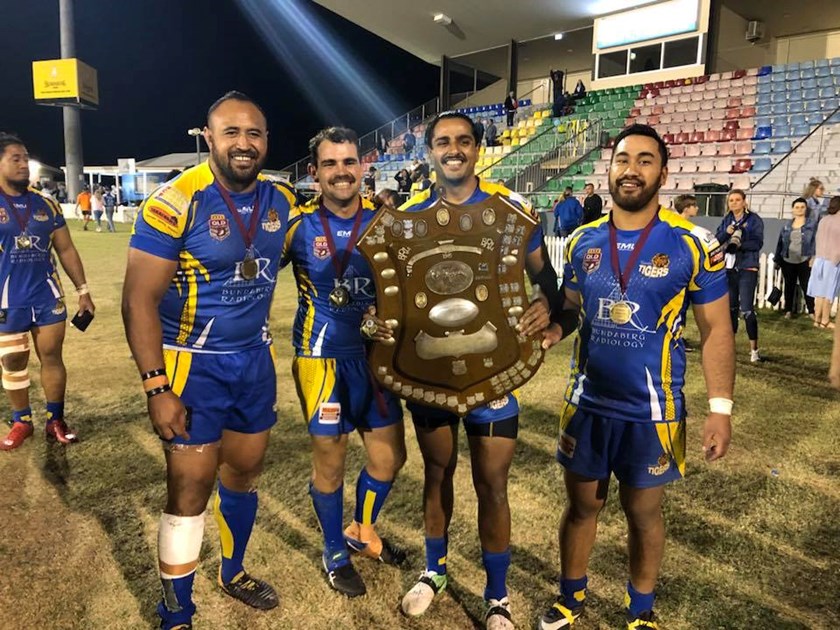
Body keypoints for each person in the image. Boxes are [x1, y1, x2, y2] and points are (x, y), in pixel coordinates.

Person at [537, 123, 734, 630]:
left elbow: (716, 330)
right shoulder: (584, 240)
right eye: (623, 158)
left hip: (653, 410)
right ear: (610, 169)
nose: (632, 169)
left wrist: (720, 409)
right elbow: (572, 307)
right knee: (582, 507)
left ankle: (641, 611)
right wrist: (549, 329)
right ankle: (570, 598)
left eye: (645, 160)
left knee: (643, 513)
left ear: (663, 174)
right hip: (587, 403)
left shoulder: (693, 243)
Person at [121, 91, 296, 629]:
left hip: (254, 362)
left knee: (244, 474)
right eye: (231, 133)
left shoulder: (281, 201)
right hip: (192, 365)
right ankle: (176, 609)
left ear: (265, 141)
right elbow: (137, 301)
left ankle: (233, 570)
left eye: (254, 134)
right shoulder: (178, 200)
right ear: (209, 137)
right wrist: (156, 387)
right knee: (190, 489)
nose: (244, 144)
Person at [391, 111, 556, 629]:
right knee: (437, 472)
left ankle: (498, 595)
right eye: (443, 142)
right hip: (430, 373)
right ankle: (434, 569)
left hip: (496, 373)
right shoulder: (411, 215)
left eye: (464, 140)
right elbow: (395, 295)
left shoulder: (512, 211)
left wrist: (549, 309)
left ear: (478, 149)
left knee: (492, 483)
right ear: (430, 153)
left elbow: (547, 279)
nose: (454, 149)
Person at [281, 127, 407, 598]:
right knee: (330, 461)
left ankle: (362, 528)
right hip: (322, 360)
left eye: (349, 162)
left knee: (389, 458)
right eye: (330, 164)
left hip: (376, 359)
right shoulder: (297, 227)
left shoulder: (385, 222)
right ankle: (334, 551)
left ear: (363, 166)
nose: (341, 172)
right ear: (315, 172)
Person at [0, 132, 94, 451]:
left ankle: (55, 419)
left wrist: (83, 290)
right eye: (16, 158)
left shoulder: (46, 203)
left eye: (26, 158)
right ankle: (21, 420)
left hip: (46, 294)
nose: (24, 164)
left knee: (52, 356)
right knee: (13, 360)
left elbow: (66, 249)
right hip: (7, 297)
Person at [715, 189, 764, 362]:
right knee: (731, 309)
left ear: (744, 202)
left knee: (747, 310)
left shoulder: (754, 220)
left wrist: (739, 243)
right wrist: (727, 233)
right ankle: (730, 348)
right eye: (731, 200)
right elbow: (716, 240)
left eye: (737, 200)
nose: (734, 203)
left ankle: (754, 350)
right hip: (729, 269)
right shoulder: (727, 219)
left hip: (747, 268)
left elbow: (758, 243)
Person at [774, 197, 816, 319]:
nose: (799, 209)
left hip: (804, 260)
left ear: (806, 209)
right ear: (792, 209)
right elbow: (780, 243)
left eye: (802, 207)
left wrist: (813, 257)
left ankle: (811, 311)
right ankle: (788, 310)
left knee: (806, 286)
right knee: (789, 286)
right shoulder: (786, 226)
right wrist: (777, 259)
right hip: (788, 260)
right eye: (797, 207)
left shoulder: (811, 225)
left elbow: (815, 242)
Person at [807, 196, 840, 329]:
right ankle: (825, 320)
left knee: (819, 292)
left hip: (820, 258)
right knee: (828, 292)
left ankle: (817, 319)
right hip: (833, 260)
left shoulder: (824, 220)